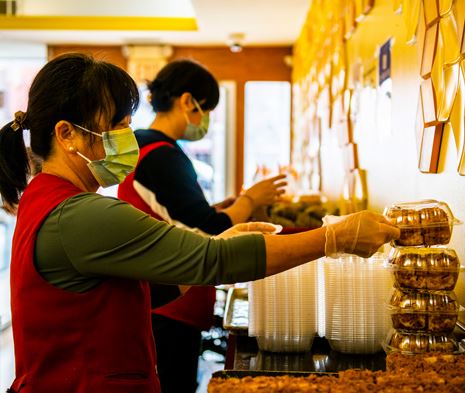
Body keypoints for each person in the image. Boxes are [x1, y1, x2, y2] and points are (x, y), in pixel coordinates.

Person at [0, 53, 399, 393]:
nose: (128, 136)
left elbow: (135, 289)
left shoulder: (46, 200)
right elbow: (213, 260)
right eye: (117, 125)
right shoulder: (79, 214)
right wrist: (336, 237)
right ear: (67, 134)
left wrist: (223, 238)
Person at [117, 59, 288, 393]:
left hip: (160, 289)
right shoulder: (162, 154)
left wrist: (224, 206)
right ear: (186, 102)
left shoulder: (145, 146)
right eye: (205, 108)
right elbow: (210, 228)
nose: (205, 119)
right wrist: (251, 199)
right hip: (171, 299)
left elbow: (178, 214)